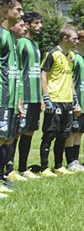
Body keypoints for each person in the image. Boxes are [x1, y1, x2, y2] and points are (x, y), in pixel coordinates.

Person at [39, 26, 79, 177]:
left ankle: (58, 166)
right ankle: (44, 168)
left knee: (63, 134)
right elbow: (43, 74)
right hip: (54, 100)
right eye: (74, 39)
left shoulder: (71, 56)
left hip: (67, 100)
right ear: (65, 39)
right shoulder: (52, 54)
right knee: (50, 134)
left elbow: (69, 79)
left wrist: (74, 98)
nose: (76, 41)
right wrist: (46, 97)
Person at [0, 0, 24, 190]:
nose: (21, 14)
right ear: (5, 10)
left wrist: (17, 99)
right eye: (18, 10)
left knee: (6, 138)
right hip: (1, 96)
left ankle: (2, 179)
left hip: (9, 97)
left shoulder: (10, 36)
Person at [15, 12, 43, 179]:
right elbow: (17, 69)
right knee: (17, 133)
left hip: (34, 97)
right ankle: (9, 170)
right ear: (27, 24)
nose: (40, 26)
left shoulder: (35, 45)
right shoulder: (20, 43)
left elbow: (36, 72)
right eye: (37, 23)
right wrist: (18, 96)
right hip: (23, 95)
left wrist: (39, 96)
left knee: (29, 132)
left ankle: (23, 168)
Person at [64, 30, 84, 171]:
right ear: (80, 42)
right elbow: (69, 81)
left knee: (80, 132)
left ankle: (76, 161)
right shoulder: (73, 57)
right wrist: (75, 102)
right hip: (75, 102)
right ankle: (70, 162)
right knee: (72, 132)